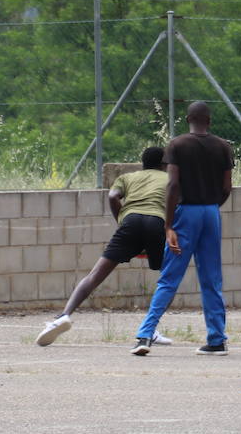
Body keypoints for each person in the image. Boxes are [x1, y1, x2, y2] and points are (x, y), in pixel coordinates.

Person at [36, 146, 173, 346]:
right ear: (164, 164)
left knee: (95, 275)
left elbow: (112, 196)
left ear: (143, 163)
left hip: (130, 222)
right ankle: (149, 329)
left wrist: (121, 219)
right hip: (157, 222)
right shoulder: (170, 178)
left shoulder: (129, 177)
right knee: (169, 279)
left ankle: (64, 315)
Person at [131, 100, 233, 356]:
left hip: (186, 214)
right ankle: (217, 339)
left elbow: (173, 185)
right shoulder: (223, 146)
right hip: (211, 213)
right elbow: (227, 188)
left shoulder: (177, 144)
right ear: (209, 121)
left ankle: (145, 335)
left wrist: (168, 224)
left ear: (188, 119)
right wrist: (211, 207)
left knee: (170, 276)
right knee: (211, 278)